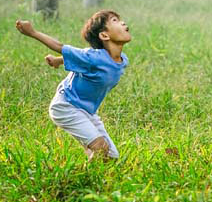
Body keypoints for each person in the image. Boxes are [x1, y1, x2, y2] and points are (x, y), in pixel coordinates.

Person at [15, 10, 131, 159]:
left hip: (87, 112)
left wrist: (58, 60)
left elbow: (80, 59)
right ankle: (82, 178)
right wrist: (33, 32)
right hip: (66, 106)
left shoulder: (122, 60)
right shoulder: (93, 57)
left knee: (111, 156)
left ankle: (90, 156)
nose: (122, 22)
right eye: (115, 20)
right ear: (104, 35)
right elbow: (60, 46)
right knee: (101, 148)